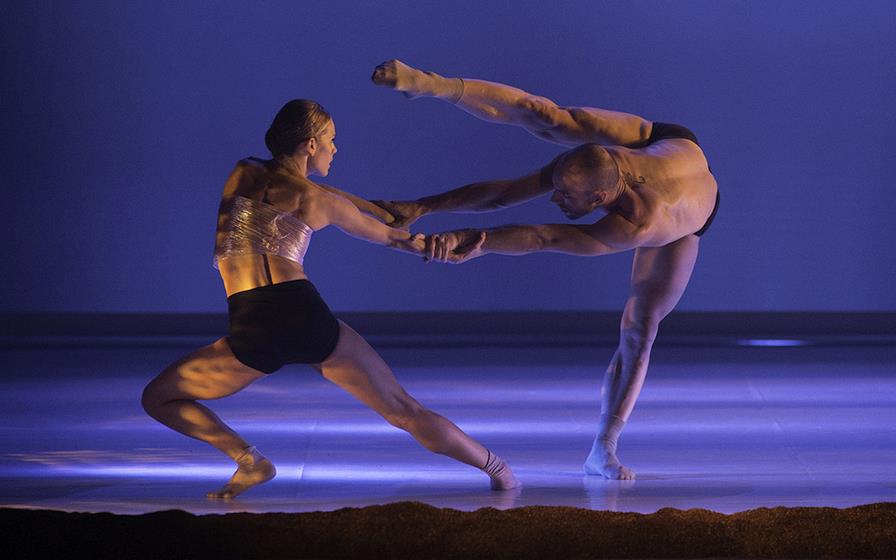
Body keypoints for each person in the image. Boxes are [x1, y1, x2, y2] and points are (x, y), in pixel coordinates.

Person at [141, 99, 519, 499]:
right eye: (331, 140)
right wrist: (448, 247)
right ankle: (500, 471)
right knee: (403, 410)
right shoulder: (320, 202)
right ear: (309, 144)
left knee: (158, 397)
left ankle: (249, 460)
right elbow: (397, 238)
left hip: (251, 323)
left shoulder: (244, 171)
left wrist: (372, 206)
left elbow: (296, 182)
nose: (335, 149)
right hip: (302, 312)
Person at [372, 60, 719, 480]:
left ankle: (603, 447)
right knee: (551, 117)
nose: (554, 200)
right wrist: (422, 206)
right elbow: (504, 194)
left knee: (640, 325)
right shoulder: (593, 166)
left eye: (566, 196)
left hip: (691, 213)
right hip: (672, 144)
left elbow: (543, 237)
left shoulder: (639, 224)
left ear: (602, 197)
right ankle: (435, 84)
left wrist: (479, 243)